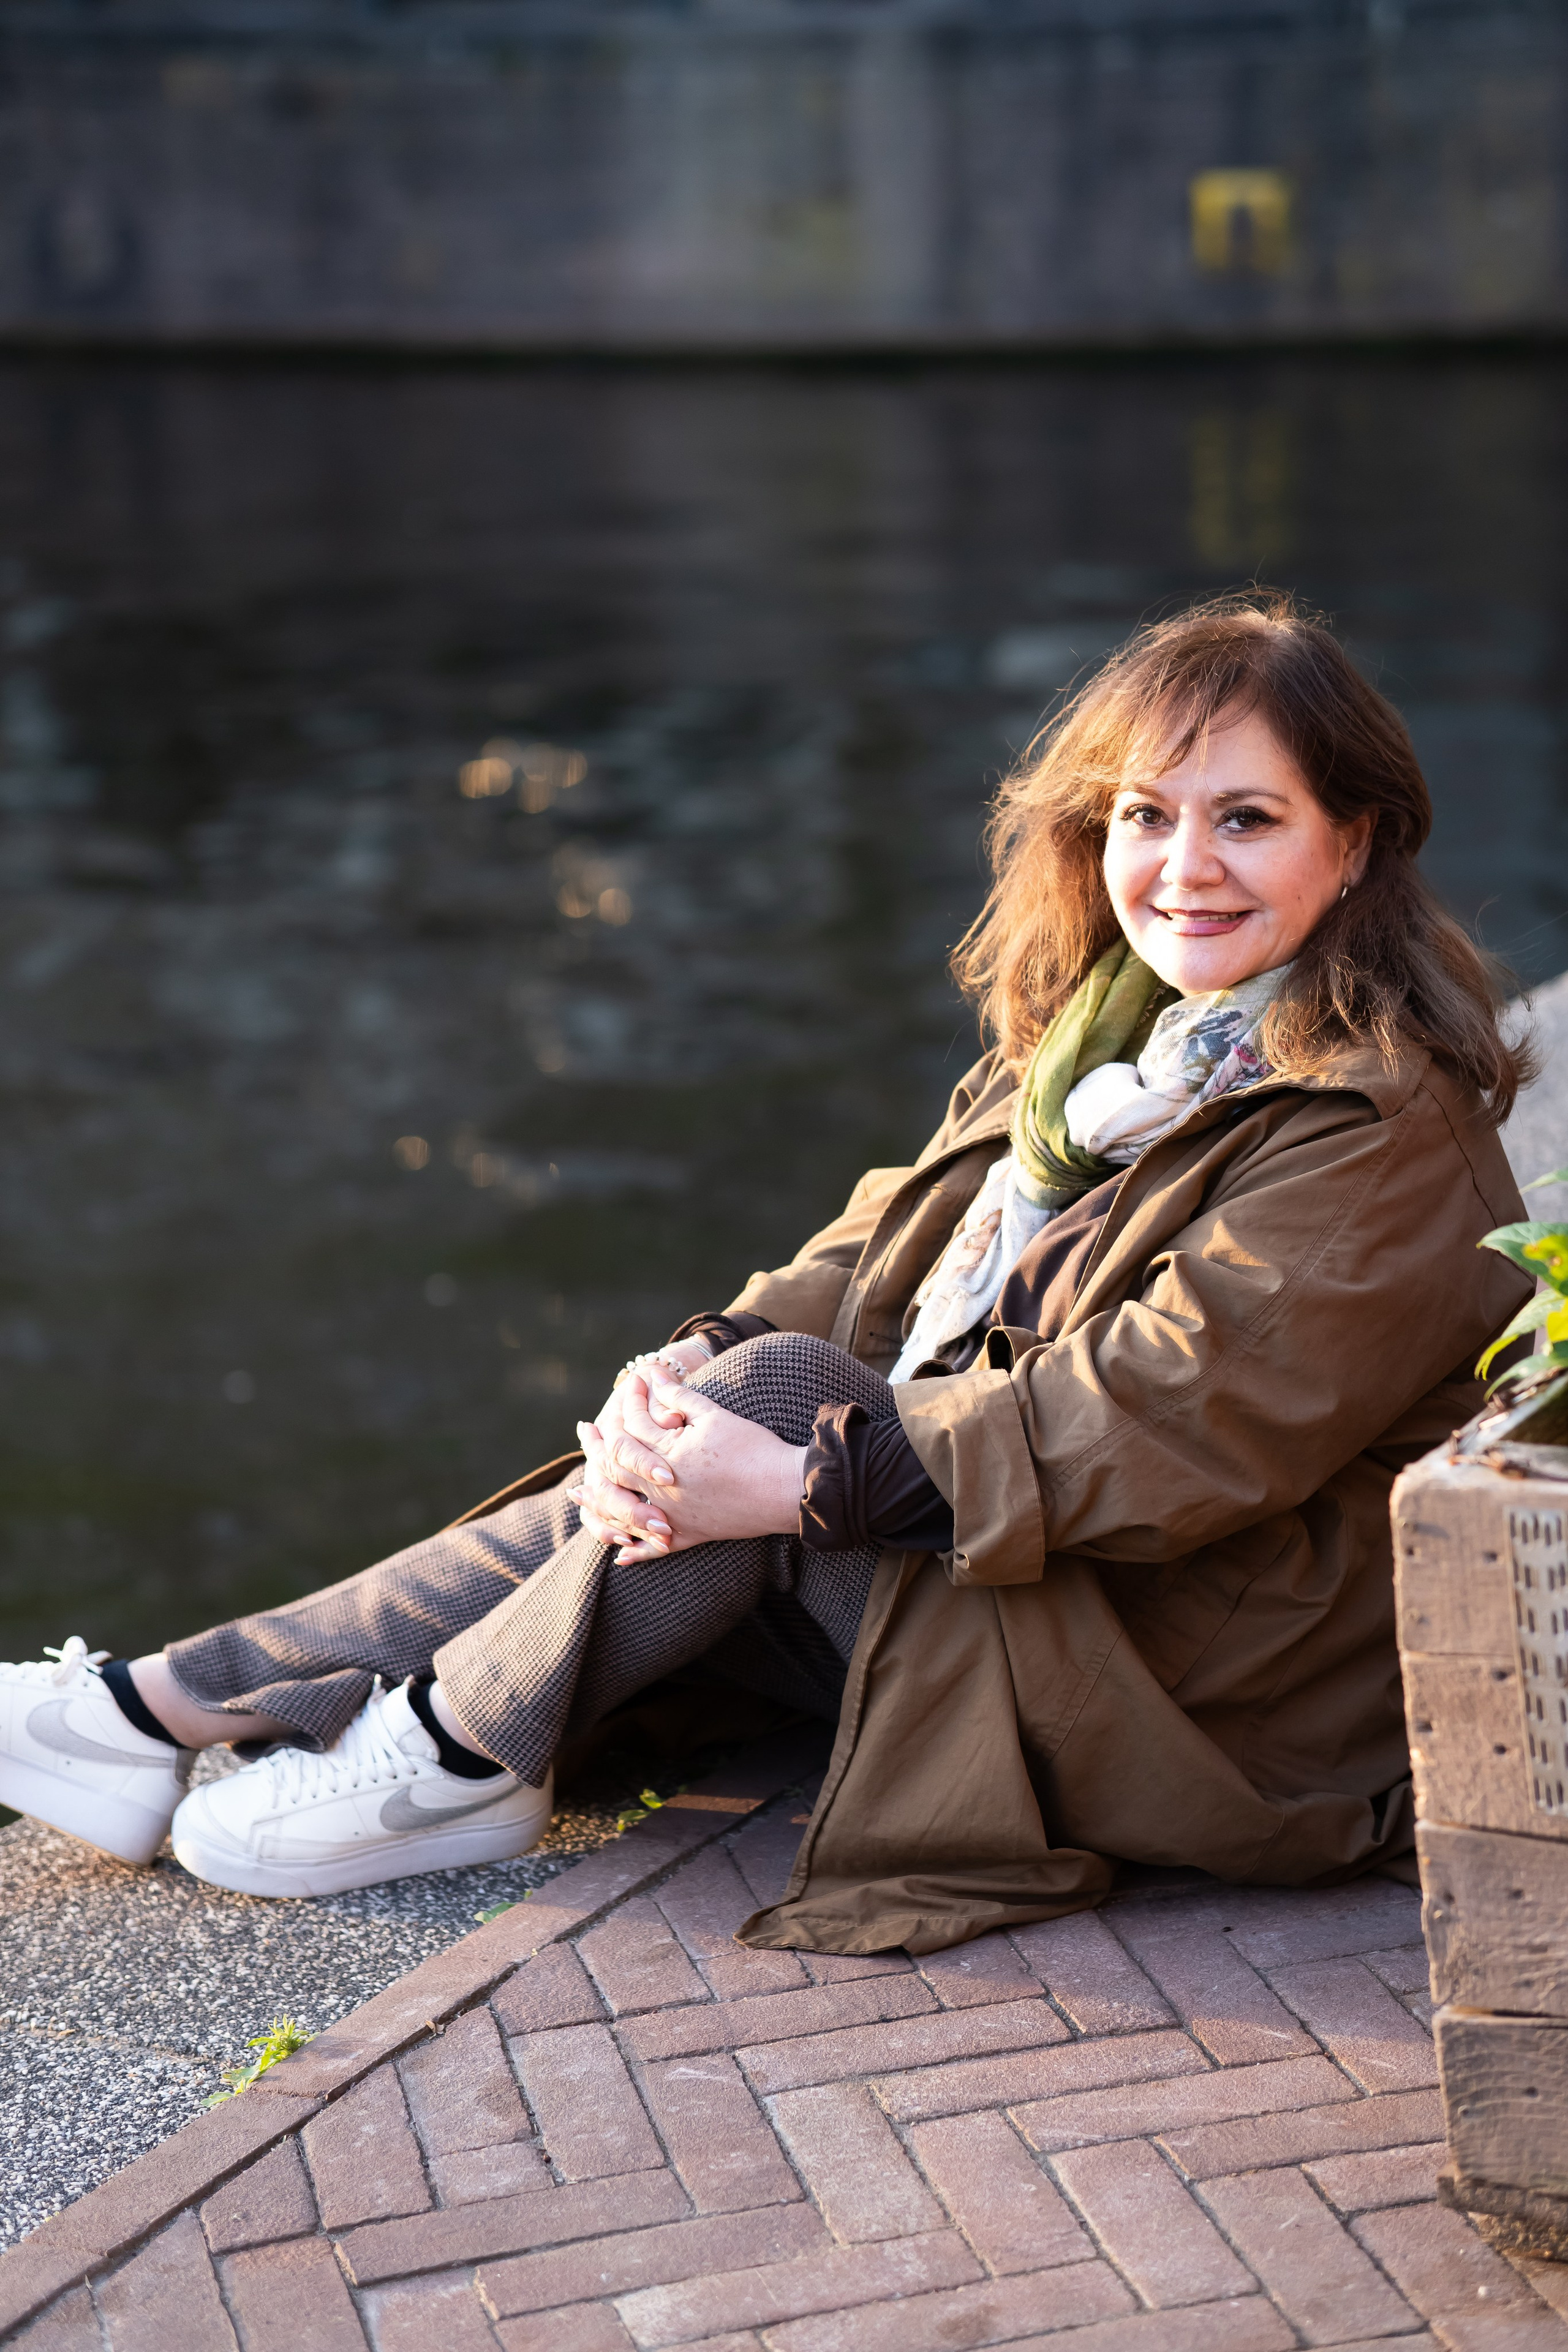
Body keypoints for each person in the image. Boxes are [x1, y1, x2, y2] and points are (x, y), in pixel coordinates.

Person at [0, 593, 1533, 1954]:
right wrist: (687, 1363)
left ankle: (439, 1754)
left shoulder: (1371, 1117)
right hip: (1048, 1576)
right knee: (750, 1385)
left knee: (792, 1417)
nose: (1180, 866)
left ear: (1356, 842)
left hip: (1210, 1684)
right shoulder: (1101, 1048)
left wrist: (807, 1484)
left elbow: (1163, 1426)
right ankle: (181, 1712)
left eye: (1245, 820)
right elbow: (866, 1260)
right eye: (1144, 814)